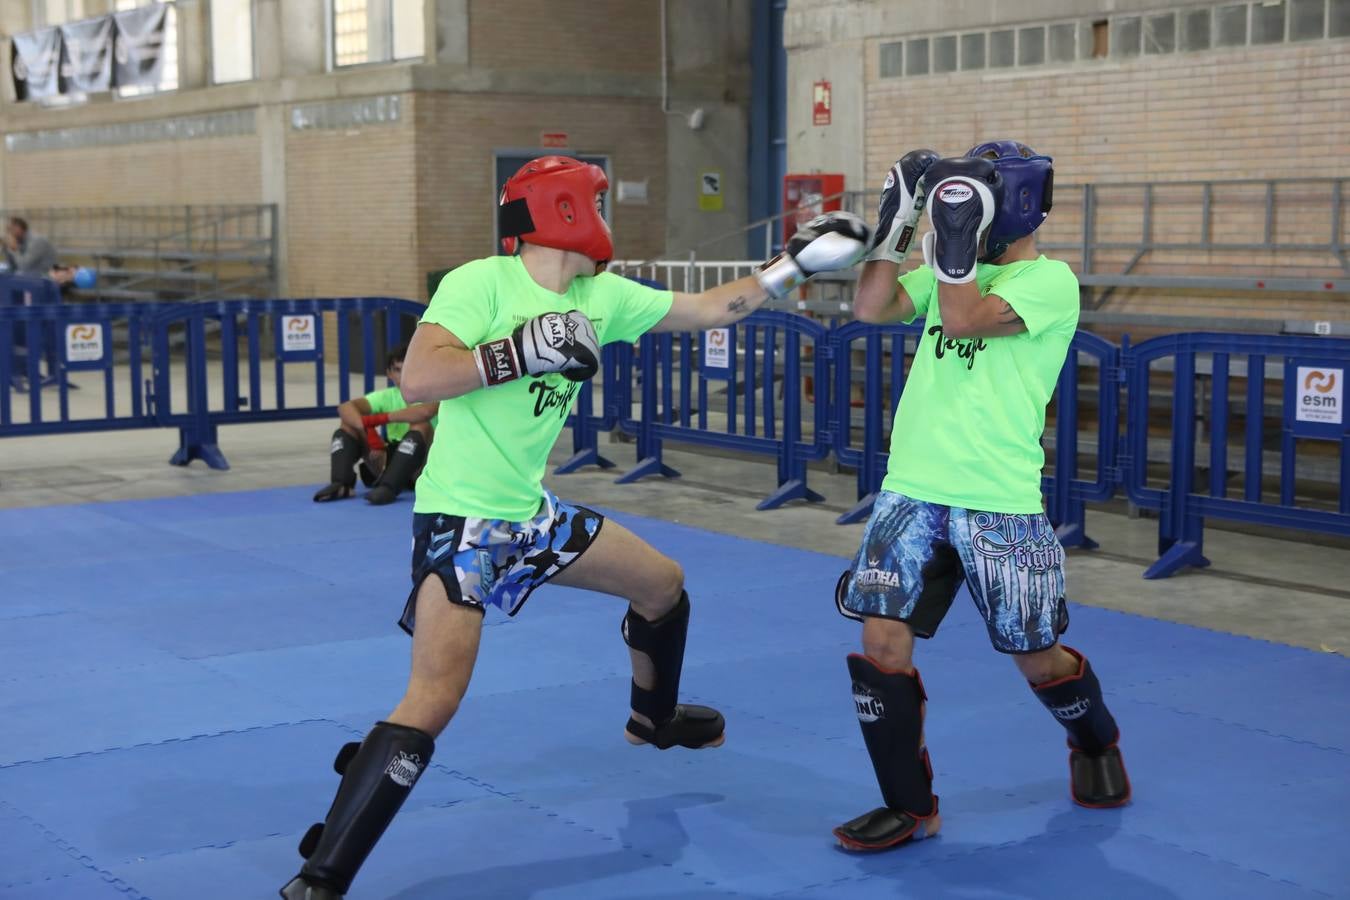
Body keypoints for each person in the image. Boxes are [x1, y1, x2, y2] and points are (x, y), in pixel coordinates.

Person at [280, 155, 870, 899]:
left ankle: (653, 720)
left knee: (663, 586)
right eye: (595, 198)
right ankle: (321, 878)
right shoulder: (480, 283)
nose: (604, 210)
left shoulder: (603, 295)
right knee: (433, 700)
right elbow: (421, 381)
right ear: (561, 208)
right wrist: (521, 351)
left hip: (534, 516)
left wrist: (793, 264)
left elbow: (711, 308)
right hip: (464, 523)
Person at [831, 141, 1131, 853]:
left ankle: (1094, 738)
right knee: (880, 642)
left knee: (1037, 655)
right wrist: (898, 226)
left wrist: (953, 242)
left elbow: (965, 319)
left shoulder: (1049, 283)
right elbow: (873, 306)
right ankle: (910, 807)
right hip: (911, 489)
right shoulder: (947, 274)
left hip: (997, 500)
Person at [313, 343, 438, 506]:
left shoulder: (433, 392)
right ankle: (341, 483)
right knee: (348, 425)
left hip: (422, 465)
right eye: (398, 370)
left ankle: (389, 487)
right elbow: (345, 408)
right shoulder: (387, 396)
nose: (404, 376)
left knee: (421, 425)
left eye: (408, 369)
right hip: (389, 460)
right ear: (389, 374)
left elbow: (424, 412)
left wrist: (377, 420)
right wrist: (371, 435)